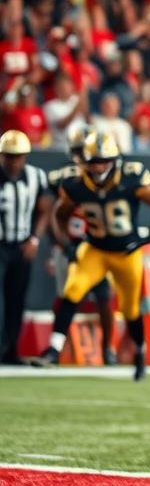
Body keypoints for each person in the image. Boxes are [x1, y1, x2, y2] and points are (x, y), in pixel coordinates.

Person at [31, 132, 150, 380]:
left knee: (130, 308)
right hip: (95, 249)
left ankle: (139, 352)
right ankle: (53, 349)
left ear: (114, 160)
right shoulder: (76, 184)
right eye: (94, 161)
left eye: (103, 161)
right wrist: (66, 244)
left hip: (126, 252)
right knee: (72, 290)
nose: (98, 167)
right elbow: (58, 214)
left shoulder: (129, 177)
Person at [46, 125, 116, 365]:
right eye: (79, 151)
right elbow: (53, 214)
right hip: (70, 243)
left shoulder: (104, 176)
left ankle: (108, 347)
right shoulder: (64, 178)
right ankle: (57, 347)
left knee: (103, 297)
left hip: (96, 244)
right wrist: (61, 243)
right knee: (66, 296)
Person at [0, 130, 50, 365]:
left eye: (18, 156)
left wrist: (34, 239)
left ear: (25, 156)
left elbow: (44, 210)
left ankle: (10, 351)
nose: (14, 162)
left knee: (16, 299)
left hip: (21, 246)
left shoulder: (35, 177)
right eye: (9, 156)